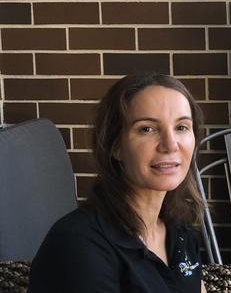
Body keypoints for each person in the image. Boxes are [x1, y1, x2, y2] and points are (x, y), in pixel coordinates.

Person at [29, 73, 208, 293]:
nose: (170, 145)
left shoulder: (178, 229)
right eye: (147, 129)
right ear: (116, 146)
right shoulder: (80, 246)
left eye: (181, 127)